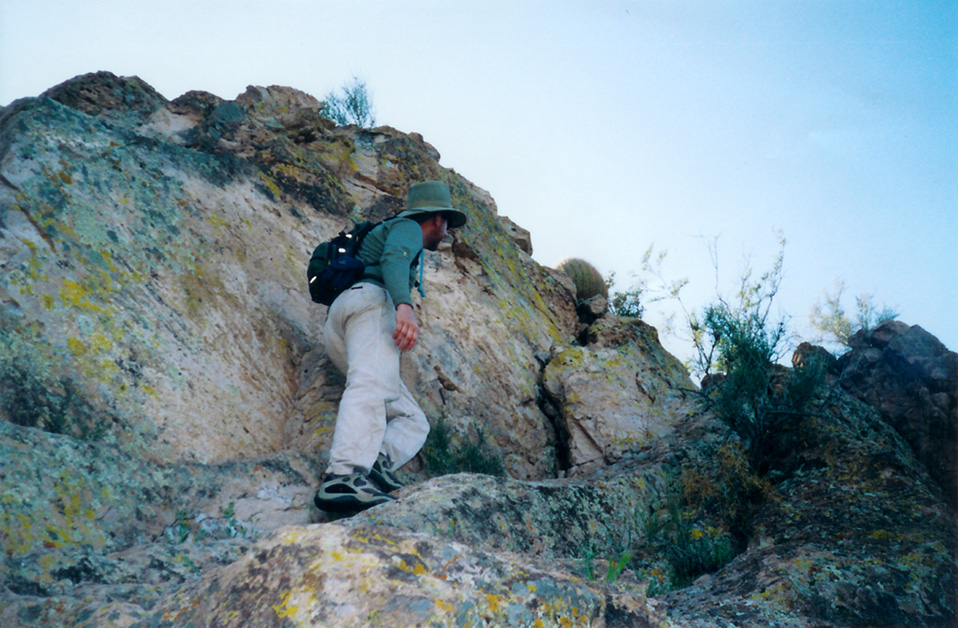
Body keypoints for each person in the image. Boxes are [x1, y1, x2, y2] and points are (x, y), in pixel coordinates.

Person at [313, 180, 468, 513]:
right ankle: (344, 476)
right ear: (437, 218)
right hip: (372, 305)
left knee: (412, 419)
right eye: (447, 223)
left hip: (343, 317)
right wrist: (403, 305)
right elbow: (394, 259)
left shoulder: (389, 229)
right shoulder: (407, 227)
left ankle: (376, 462)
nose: (447, 232)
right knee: (370, 386)